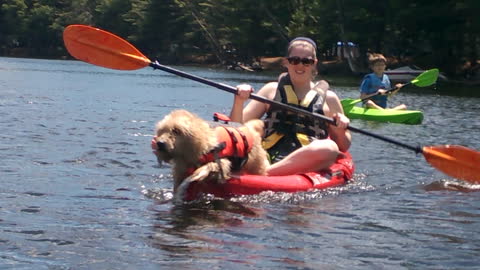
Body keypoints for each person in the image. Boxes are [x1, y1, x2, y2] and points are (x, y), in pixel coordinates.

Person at [229, 37, 351, 176]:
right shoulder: (270, 90)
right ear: (286, 62)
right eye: (294, 60)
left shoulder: (330, 99)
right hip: (266, 155)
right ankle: (266, 171)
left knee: (329, 148)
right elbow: (236, 128)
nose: (300, 65)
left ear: (314, 64)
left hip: (307, 158)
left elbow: (344, 146)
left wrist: (340, 128)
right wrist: (239, 100)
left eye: (306, 61)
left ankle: (265, 174)